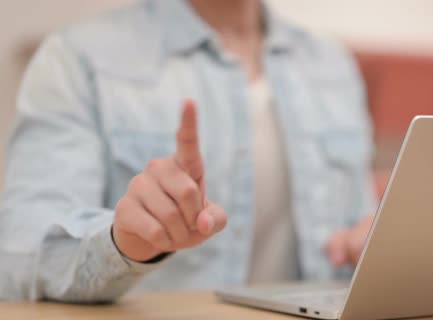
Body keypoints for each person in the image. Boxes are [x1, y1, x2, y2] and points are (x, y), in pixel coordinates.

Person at [0, 0, 376, 302]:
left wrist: (378, 243)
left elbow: (358, 233)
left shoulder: (332, 65)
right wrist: (122, 245)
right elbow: (20, 261)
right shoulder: (78, 59)